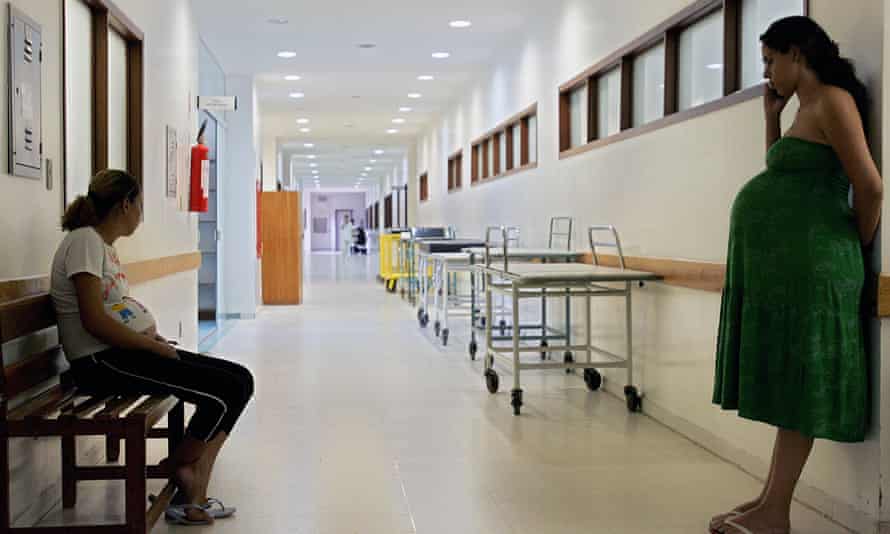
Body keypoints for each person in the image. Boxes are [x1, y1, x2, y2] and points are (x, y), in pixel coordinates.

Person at [711, 16, 882, 534]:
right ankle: (771, 500)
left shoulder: (832, 100)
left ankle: (776, 511)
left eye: (769, 60)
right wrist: (771, 120)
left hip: (817, 266)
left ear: (796, 55)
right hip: (792, 269)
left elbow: (870, 187)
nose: (767, 72)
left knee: (802, 383)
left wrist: (853, 245)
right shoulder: (804, 107)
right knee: (790, 381)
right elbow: (782, 172)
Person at [50, 169, 255, 526]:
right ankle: (187, 480)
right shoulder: (84, 242)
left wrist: (151, 339)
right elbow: (93, 321)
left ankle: (187, 471)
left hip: (122, 353)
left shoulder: (102, 246)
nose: (140, 215)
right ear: (126, 203)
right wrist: (152, 348)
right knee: (223, 390)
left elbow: (116, 309)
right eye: (139, 205)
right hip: (100, 362)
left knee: (241, 379)